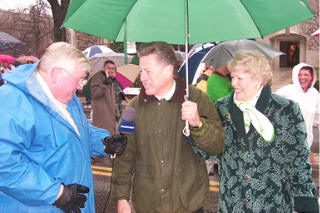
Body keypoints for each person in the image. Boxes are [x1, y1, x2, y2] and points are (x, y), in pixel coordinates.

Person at [0, 42, 127, 213]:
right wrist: (56, 193)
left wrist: (103, 142)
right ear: (57, 74)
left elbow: (77, 132)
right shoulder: (13, 102)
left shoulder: (68, 97)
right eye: (80, 79)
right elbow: (5, 164)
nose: (82, 86)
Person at [111, 41, 225, 213]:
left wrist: (198, 124)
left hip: (188, 202)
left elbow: (217, 146)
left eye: (148, 71)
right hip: (148, 204)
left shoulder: (196, 99)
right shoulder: (133, 109)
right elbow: (124, 156)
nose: (141, 78)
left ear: (169, 70)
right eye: (141, 71)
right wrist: (122, 197)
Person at [204, 50, 318, 212]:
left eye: (240, 78)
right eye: (233, 77)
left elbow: (298, 161)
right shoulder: (223, 107)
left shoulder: (286, 110)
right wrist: (196, 125)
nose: (234, 83)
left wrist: (307, 204)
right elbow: (212, 152)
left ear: (259, 79)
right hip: (232, 204)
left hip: (273, 204)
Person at [276, 63, 319, 159]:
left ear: (311, 77)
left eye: (306, 75)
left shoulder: (314, 94)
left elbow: (317, 117)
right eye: (299, 74)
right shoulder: (287, 91)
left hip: (306, 141)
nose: (302, 78)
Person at [90, 60, 126, 134]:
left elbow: (114, 98)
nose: (111, 70)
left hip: (112, 116)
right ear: (104, 68)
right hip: (102, 117)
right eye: (109, 68)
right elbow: (95, 94)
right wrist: (104, 84)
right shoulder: (97, 78)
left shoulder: (112, 80)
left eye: (113, 68)